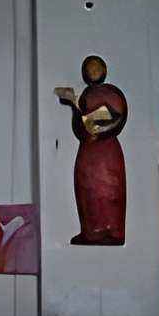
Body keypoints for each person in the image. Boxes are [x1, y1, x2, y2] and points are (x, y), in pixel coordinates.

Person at [54, 55, 128, 245]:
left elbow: (117, 117)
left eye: (96, 68)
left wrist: (95, 125)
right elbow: (81, 128)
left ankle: (113, 231)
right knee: (87, 188)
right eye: (89, 69)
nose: (93, 72)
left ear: (104, 71)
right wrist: (73, 105)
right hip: (88, 150)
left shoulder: (113, 92)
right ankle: (91, 231)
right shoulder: (87, 95)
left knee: (110, 188)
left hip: (106, 151)